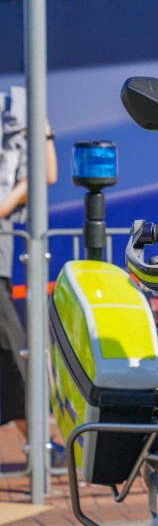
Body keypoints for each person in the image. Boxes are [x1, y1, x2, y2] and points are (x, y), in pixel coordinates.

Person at [0, 100, 58, 463]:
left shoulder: (15, 105)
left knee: (13, 354)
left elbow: (46, 175)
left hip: (1, 262)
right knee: (12, 353)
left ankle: (40, 447)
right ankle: (40, 448)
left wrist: (44, 129)